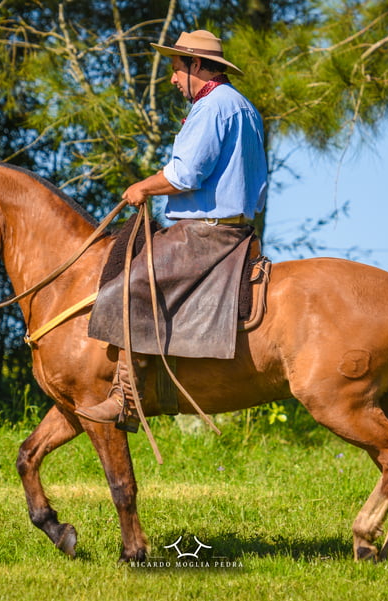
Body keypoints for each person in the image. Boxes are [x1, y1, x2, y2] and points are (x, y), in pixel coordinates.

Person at [77, 29, 268, 427]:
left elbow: (185, 175)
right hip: (237, 230)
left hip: (204, 232)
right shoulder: (243, 106)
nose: (173, 78)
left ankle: (125, 398)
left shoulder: (212, 107)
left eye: (177, 68)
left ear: (196, 65)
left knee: (131, 283)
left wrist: (141, 187)